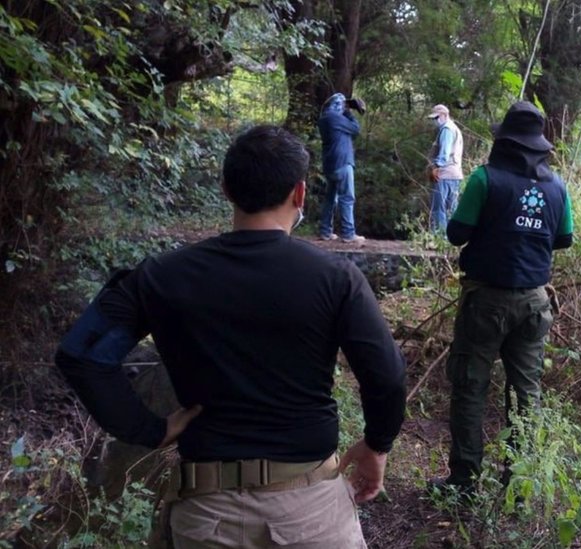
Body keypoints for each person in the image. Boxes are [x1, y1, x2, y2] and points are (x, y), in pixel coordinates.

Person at [55, 125, 406, 548]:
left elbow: (83, 355)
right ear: (300, 194)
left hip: (207, 514)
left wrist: (148, 429)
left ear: (226, 189)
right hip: (312, 509)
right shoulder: (337, 279)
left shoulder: (162, 277)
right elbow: (385, 375)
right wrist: (376, 445)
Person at [433, 101, 574, 492]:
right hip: (534, 305)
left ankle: (464, 483)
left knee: (470, 388)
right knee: (525, 394)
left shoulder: (484, 179)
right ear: (540, 145)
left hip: (486, 303)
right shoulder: (557, 186)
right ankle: (516, 487)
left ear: (504, 141)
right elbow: (564, 239)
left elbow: (456, 233)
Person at [318, 92, 367, 244]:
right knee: (347, 198)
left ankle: (325, 231)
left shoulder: (324, 119)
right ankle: (348, 234)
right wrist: (348, 112)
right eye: (343, 104)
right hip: (343, 163)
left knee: (330, 198)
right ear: (338, 105)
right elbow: (356, 129)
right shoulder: (336, 118)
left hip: (329, 164)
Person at [426, 104, 464, 232]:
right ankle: (450, 240)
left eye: (436, 118)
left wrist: (436, 167)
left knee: (439, 208)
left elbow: (445, 153)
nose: (435, 121)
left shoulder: (447, 130)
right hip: (455, 174)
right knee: (451, 210)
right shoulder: (455, 129)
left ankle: (439, 238)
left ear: (444, 115)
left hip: (445, 173)